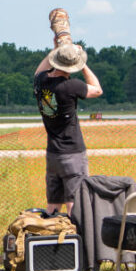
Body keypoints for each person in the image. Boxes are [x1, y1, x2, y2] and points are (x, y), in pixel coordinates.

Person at [33, 42, 102, 215]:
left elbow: (38, 71)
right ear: (72, 67)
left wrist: (59, 49)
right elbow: (97, 90)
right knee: (75, 204)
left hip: (53, 154)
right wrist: (82, 62)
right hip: (72, 153)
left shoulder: (41, 81)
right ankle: (76, 239)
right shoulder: (71, 86)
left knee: (53, 205)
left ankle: (51, 238)